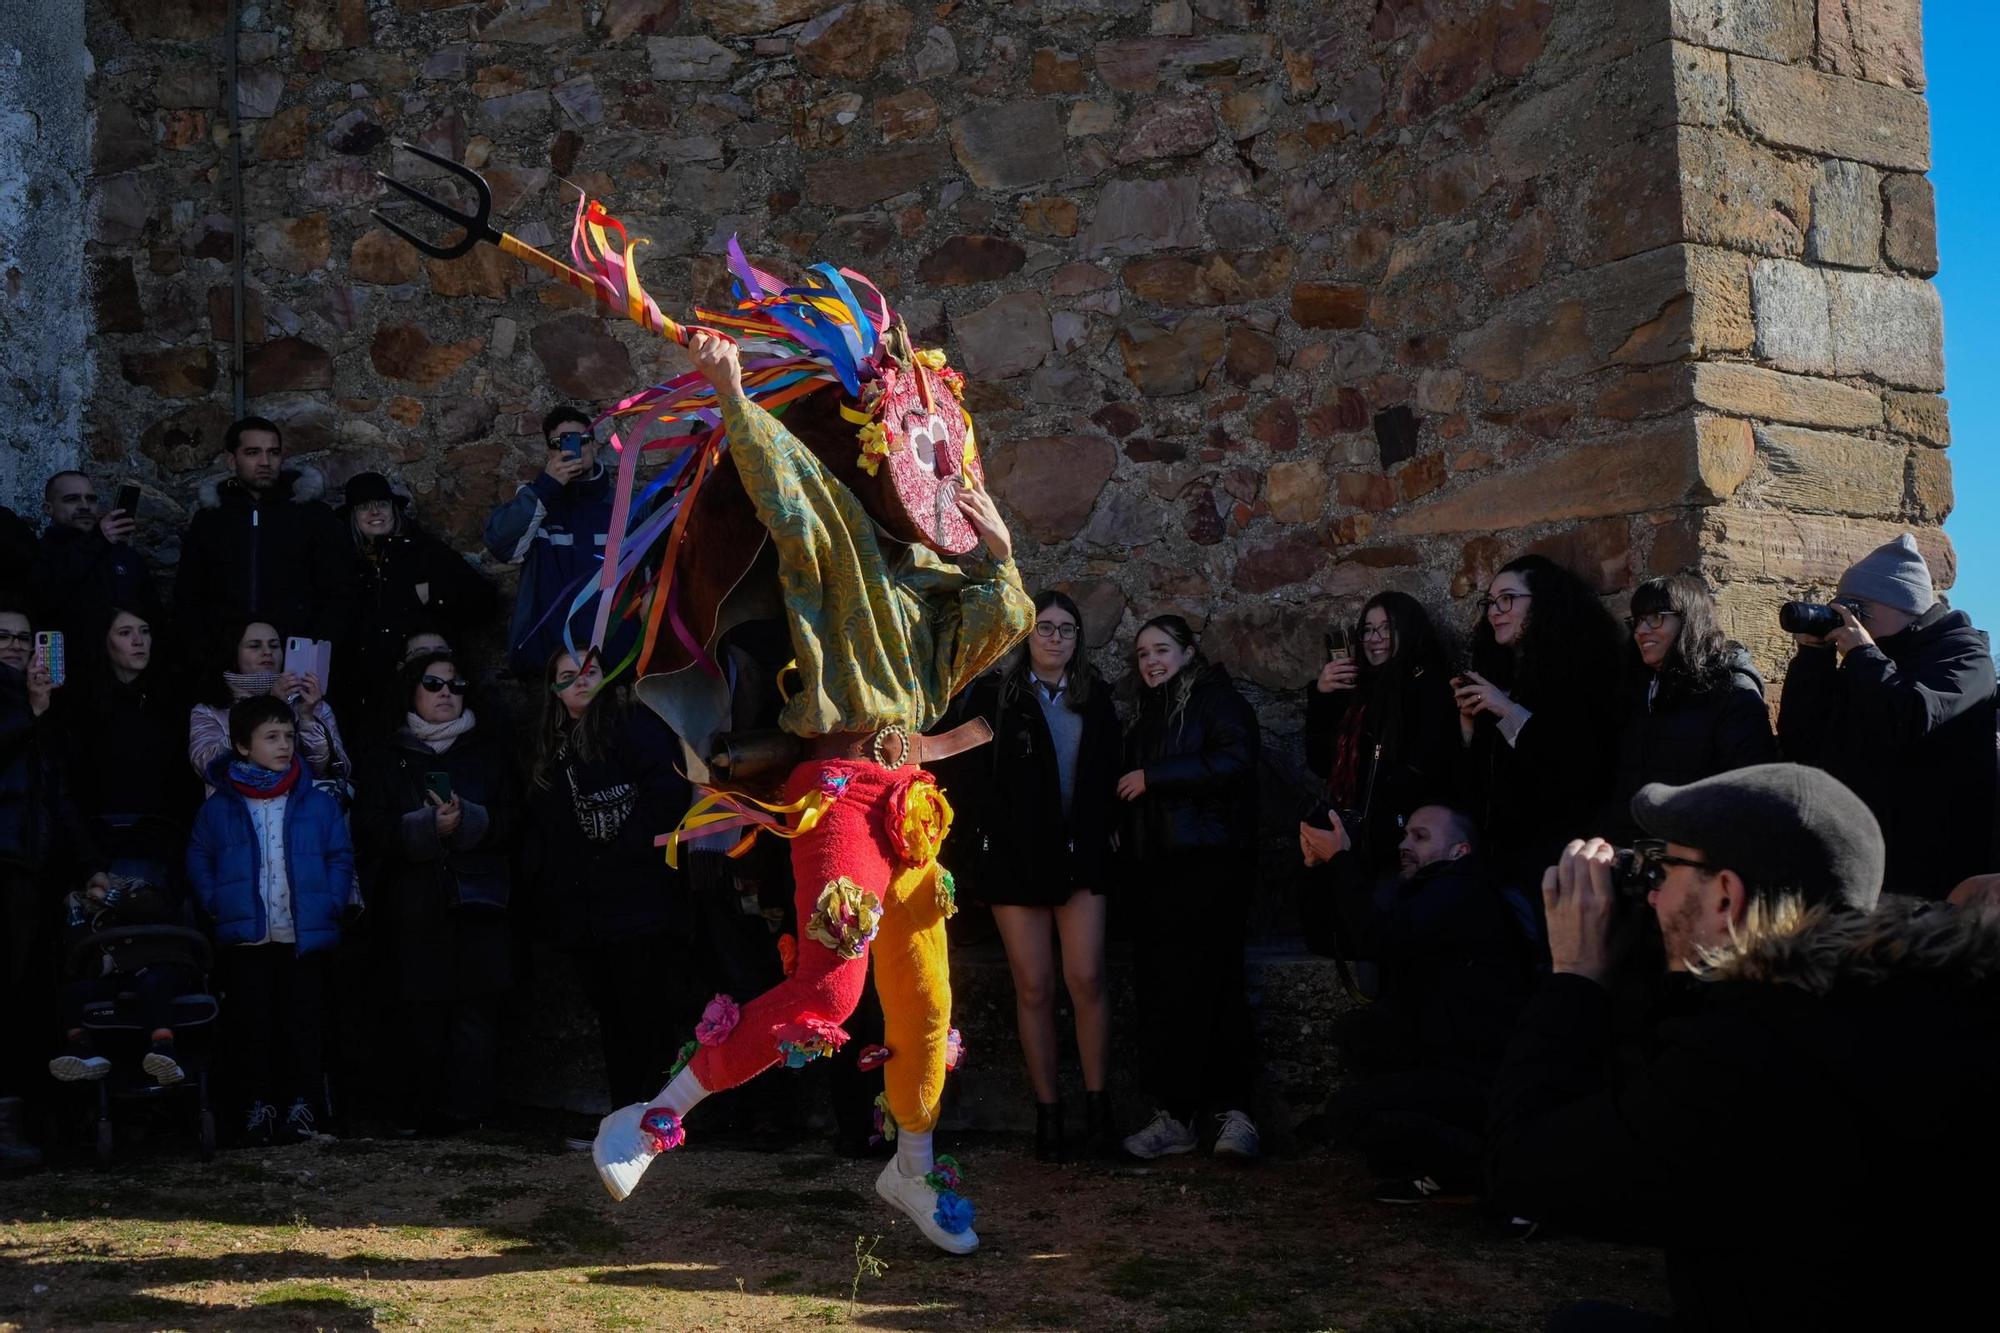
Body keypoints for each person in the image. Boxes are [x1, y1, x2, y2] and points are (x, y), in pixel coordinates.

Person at [589, 331, 1033, 1258]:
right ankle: (652, 1114)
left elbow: (997, 626)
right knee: (824, 999)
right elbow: (786, 491)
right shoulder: (838, 546)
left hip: (913, 802)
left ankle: (912, 1163)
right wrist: (732, 394)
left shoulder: (930, 587)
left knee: (928, 1001)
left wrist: (998, 553)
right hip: (837, 788)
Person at [1489, 763, 2000, 1329]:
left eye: (1666, 868)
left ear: (1727, 896)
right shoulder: (1908, 1006)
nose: (1653, 896)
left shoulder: (1756, 1054)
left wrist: (1576, 974)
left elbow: (1529, 1169)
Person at [940, 590, 1120, 1160]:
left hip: (1080, 854)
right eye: (1045, 627)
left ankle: (1097, 1110)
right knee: (1034, 987)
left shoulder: (1098, 697)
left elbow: (1110, 769)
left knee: (1087, 978)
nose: (1056, 638)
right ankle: (1048, 1115)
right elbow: (966, 778)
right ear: (1025, 635)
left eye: (1067, 629)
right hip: (1015, 862)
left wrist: (1106, 827)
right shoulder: (995, 697)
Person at [1327, 804, 1531, 1202]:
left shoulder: (1460, 890)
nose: (1405, 844)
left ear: (1460, 851)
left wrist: (1339, 859)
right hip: (1448, 1057)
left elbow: (1377, 937)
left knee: (1348, 1113)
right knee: (1359, 1034)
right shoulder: (1432, 890)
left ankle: (1489, 1171)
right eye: (1406, 835)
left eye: (1420, 837)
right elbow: (1356, 933)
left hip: (1482, 1076)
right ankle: (1440, 1164)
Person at [522, 649, 694, 1121]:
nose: (579, 681)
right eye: (566, 676)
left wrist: (620, 855)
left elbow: (666, 793)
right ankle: (624, 1115)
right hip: (583, 910)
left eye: (590, 671)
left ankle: (658, 1118)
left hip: (637, 900)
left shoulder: (634, 728)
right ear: (553, 688)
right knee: (612, 1017)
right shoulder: (549, 747)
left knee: (648, 1013)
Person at [1116, 614, 1263, 1162]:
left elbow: (1235, 760)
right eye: (1142, 654)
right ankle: (1175, 1115)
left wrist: (1156, 777)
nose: (1151, 661)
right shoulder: (1148, 714)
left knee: (1216, 986)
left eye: (1161, 650)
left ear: (1189, 651)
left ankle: (1234, 1114)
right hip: (1159, 873)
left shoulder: (1216, 700)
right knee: (1164, 993)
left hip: (1209, 868)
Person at [352, 652, 518, 1135]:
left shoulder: (489, 750)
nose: (446, 692)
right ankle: (419, 1115)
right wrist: (424, 827)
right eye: (433, 683)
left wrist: (472, 821)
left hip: (479, 901)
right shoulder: (385, 755)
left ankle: (471, 1114)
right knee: (418, 1013)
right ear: (412, 691)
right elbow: (369, 827)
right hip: (412, 904)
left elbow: (515, 818)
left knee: (477, 1011)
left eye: (455, 683)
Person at [1778, 533, 1997, 898]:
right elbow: (1802, 740)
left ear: (1899, 606)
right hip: (1857, 858)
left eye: (1856, 607)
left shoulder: (1964, 658)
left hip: (1931, 870)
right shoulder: (1870, 661)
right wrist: (1813, 660)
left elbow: (1911, 718)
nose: (1845, 617)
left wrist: (1864, 655)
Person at [186, 696, 354, 1146]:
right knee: (251, 1025)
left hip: (302, 934)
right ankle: (256, 1107)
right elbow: (200, 857)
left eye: (289, 736)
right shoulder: (219, 807)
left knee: (303, 1023)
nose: (284, 745)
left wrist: (332, 901)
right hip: (247, 937)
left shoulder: (316, 802)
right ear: (241, 745)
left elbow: (340, 855)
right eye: (271, 737)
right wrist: (216, 901)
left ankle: (303, 1106)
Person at [1454, 554, 1623, 914]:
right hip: (1500, 860)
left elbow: (1572, 767)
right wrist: (1469, 727)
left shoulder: (1582, 673)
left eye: (1508, 599)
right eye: (1490, 602)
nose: (1494, 611)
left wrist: (1506, 709)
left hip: (1554, 860)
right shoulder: (1500, 673)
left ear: (1543, 602)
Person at [1300, 591, 1460, 959]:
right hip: (1358, 840)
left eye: (1386, 629)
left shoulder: (1429, 687)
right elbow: (1321, 762)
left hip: (1401, 844)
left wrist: (1392, 812)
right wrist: (1322, 696)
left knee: (1387, 940)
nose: (1374, 639)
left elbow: (1428, 765)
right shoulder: (1357, 692)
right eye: (1368, 630)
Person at [1, 602, 97, 1173]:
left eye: (23, 638)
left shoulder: (38, 708)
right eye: (4, 638)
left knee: (25, 993)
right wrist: (32, 712)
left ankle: (27, 1117)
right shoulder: (25, 709)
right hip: (4, 860)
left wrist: (88, 864)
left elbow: (57, 794)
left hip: (30, 866)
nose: (15, 647)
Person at [1601, 575, 1775, 841]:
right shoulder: (1635, 688)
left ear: (1689, 620)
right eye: (1637, 620)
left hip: (1694, 858)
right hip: (1632, 857)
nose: (1640, 631)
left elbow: (1752, 787)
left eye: (1655, 618)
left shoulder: (1731, 690)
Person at [338, 472, 496, 740]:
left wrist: (434, 599)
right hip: (368, 685)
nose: (375, 512)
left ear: (394, 509)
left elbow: (484, 601)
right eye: (364, 506)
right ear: (353, 515)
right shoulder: (345, 562)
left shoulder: (425, 551)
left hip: (426, 687)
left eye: (382, 504)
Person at [174, 416, 354, 649]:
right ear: (232, 460)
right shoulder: (210, 520)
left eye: (273, 452)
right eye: (252, 452)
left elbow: (339, 592)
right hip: (225, 658)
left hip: (297, 659)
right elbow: (188, 595)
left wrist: (313, 648)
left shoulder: (313, 516)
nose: (265, 461)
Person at [483, 406, 618, 678]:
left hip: (613, 658)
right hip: (547, 661)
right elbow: (500, 544)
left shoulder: (623, 502)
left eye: (581, 440)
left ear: (593, 444)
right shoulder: (537, 502)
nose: (573, 448)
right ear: (550, 451)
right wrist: (546, 487)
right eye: (560, 442)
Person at [61, 604, 200, 829]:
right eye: (125, 633)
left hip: (162, 834)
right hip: (99, 834)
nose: (138, 641)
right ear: (105, 640)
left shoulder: (172, 702)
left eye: (145, 631)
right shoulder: (81, 705)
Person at [188, 618, 350, 796]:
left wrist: (307, 719)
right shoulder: (208, 710)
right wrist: (269, 707)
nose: (267, 652)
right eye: (255, 646)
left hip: (302, 817)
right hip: (237, 815)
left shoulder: (312, 704)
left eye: (274, 646)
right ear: (233, 652)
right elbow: (207, 766)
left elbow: (325, 771)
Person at [28, 470, 152, 638]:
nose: (85, 506)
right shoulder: (38, 554)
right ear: (48, 508)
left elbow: (151, 617)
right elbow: (48, 597)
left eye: (91, 499)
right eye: (72, 499)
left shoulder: (124, 555)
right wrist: (98, 541)